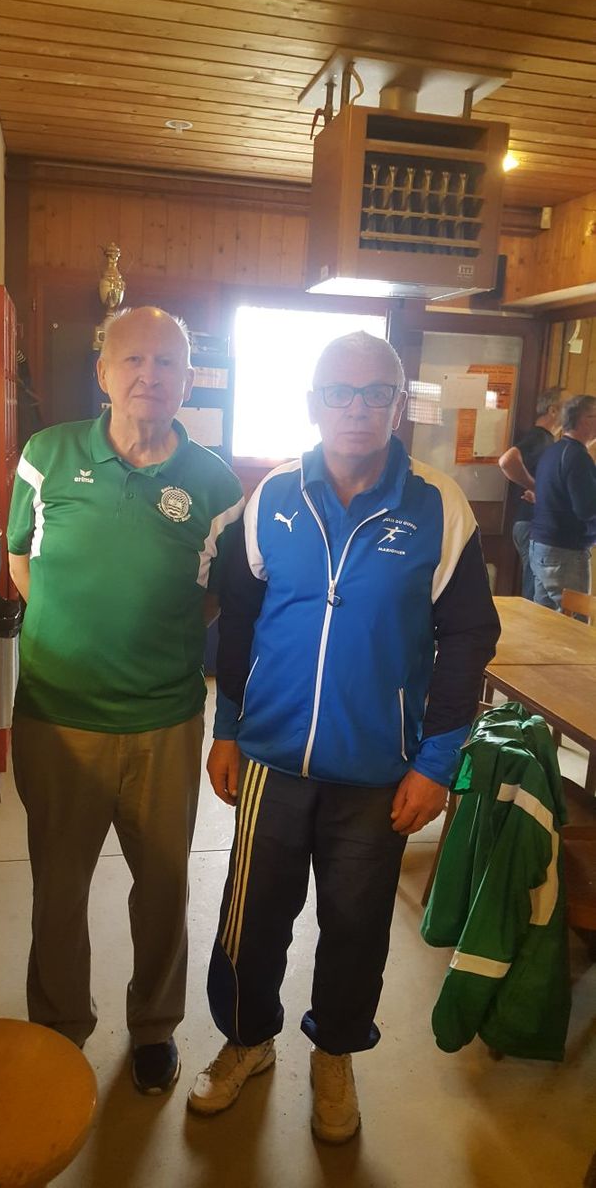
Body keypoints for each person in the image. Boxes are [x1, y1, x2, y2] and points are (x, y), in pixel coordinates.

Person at [188, 332, 500, 1142]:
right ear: (313, 403)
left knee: (356, 929)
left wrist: (437, 763)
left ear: (399, 406)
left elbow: (468, 637)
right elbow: (239, 621)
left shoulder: (438, 507)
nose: (356, 408)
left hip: (377, 769)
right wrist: (226, 729)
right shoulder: (272, 497)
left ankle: (334, 1053)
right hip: (270, 757)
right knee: (251, 920)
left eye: (375, 393)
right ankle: (246, 1040)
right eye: (340, 391)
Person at [7, 306, 243, 1094]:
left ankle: (154, 1027)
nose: (150, 376)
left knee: (165, 884)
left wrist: (146, 638)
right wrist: (74, 635)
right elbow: (20, 561)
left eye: (167, 362)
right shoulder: (46, 455)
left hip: (163, 722)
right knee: (58, 888)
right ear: (103, 372)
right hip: (57, 719)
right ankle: (59, 1028)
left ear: (188, 378)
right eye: (133, 360)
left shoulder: (214, 483)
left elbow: (214, 595)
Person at [529, 393, 596, 617]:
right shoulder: (577, 457)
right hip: (565, 553)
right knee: (574, 629)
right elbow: (586, 509)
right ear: (585, 420)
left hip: (541, 546)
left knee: (544, 623)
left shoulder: (553, 451)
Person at [498, 389, 561, 599]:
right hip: (530, 522)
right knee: (535, 592)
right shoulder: (539, 437)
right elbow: (507, 461)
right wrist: (537, 488)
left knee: (536, 590)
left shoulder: (549, 441)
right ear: (553, 410)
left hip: (530, 523)